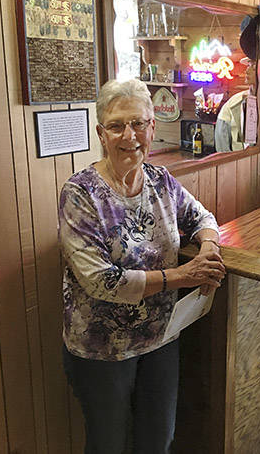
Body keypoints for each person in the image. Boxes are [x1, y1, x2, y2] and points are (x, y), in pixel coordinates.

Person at [59, 79, 225, 454]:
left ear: (152, 127)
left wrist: (208, 248)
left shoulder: (160, 181)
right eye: (117, 126)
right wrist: (182, 276)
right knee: (108, 445)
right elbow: (100, 281)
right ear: (101, 133)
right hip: (101, 350)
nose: (129, 136)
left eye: (138, 124)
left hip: (159, 337)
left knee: (158, 440)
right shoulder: (80, 193)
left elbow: (202, 216)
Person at [215, 57, 256, 152]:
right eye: (248, 66)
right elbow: (222, 147)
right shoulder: (234, 103)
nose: (247, 71)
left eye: (253, 67)